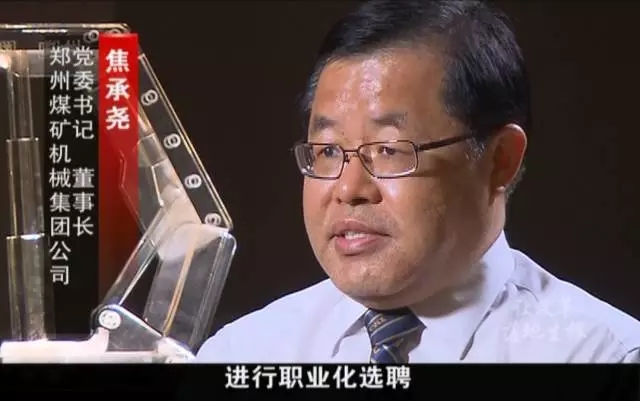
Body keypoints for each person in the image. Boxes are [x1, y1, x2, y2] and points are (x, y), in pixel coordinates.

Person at [196, 0, 640, 363]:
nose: (349, 190)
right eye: (328, 151)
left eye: (389, 150)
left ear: (500, 160)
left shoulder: (601, 358)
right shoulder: (244, 352)